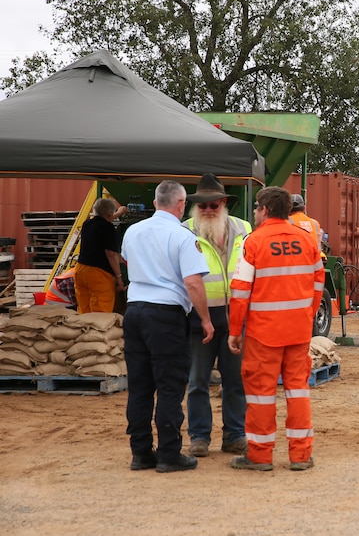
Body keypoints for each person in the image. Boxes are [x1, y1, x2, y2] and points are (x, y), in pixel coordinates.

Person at [227, 186, 324, 472]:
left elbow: (241, 289)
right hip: (298, 330)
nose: (255, 212)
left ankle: (259, 456)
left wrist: (235, 330)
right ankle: (301, 455)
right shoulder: (307, 240)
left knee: (260, 394)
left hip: (263, 333)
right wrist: (306, 315)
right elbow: (318, 283)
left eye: (256, 208)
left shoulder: (254, 241)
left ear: (264, 210)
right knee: (298, 391)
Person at [122, 180, 213, 473]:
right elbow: (193, 282)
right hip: (166, 315)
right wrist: (206, 319)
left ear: (155, 203)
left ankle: (140, 452)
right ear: (181, 204)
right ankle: (169, 453)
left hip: (134, 310)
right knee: (169, 385)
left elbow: (127, 261)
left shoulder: (132, 231)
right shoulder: (183, 236)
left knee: (139, 386)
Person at [182, 174, 251, 459]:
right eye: (203, 206)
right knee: (198, 380)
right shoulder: (185, 231)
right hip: (200, 319)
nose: (208, 210)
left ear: (224, 203)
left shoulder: (243, 229)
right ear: (195, 207)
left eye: (213, 204)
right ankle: (199, 437)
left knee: (235, 381)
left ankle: (234, 435)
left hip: (236, 317)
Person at [75, 198, 127, 313]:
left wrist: (118, 213)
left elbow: (102, 218)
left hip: (80, 270)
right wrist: (119, 278)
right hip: (99, 275)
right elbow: (111, 254)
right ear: (109, 214)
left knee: (84, 310)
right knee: (100, 314)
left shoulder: (87, 224)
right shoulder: (108, 229)